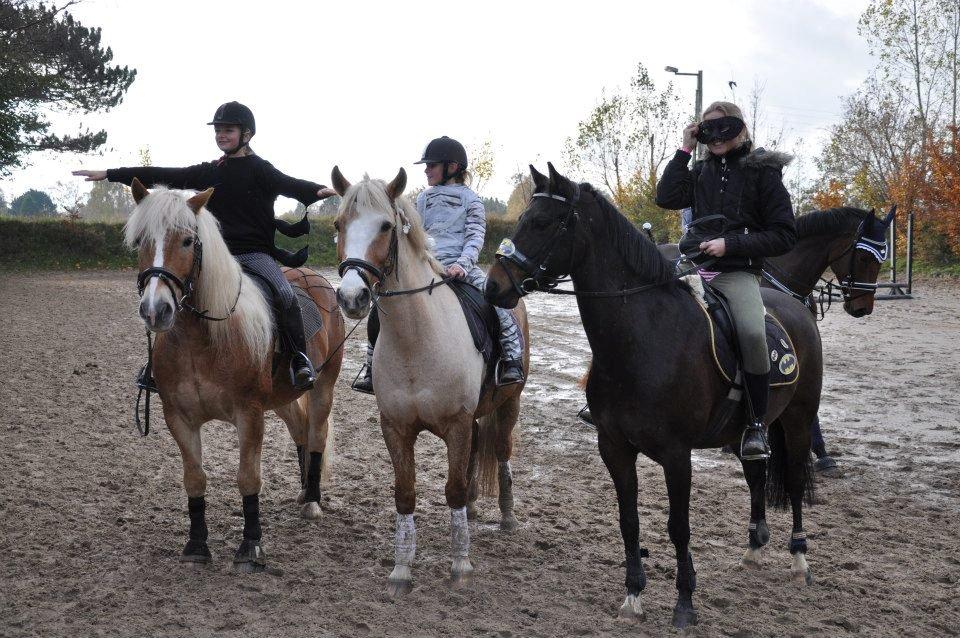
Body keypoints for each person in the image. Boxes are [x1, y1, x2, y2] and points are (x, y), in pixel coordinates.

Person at [73, 101, 336, 391]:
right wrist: (112, 173)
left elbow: (290, 184)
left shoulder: (261, 170)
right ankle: (156, 366)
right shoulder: (209, 172)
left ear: (246, 134)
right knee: (176, 293)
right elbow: (165, 173)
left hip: (254, 255)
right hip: (213, 257)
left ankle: (298, 360)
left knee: (285, 295)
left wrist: (316, 191)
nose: (222, 135)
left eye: (228, 130)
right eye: (219, 130)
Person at [655, 101, 797, 460]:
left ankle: (756, 425)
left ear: (740, 130)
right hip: (692, 268)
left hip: (735, 272)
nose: (716, 137)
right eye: (708, 129)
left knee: (751, 331)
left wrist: (730, 244)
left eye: (724, 128)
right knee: (645, 310)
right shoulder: (699, 171)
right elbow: (665, 196)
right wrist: (684, 149)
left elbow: (783, 234)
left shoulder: (763, 173)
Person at [352, 136, 524, 394]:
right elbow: (416, 236)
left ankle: (511, 359)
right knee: (382, 304)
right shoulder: (422, 199)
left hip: (461, 267)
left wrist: (462, 265)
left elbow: (475, 237)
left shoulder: (472, 200)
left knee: (497, 304)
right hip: (428, 265)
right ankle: (370, 366)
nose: (426, 170)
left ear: (452, 167)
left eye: (431, 165)